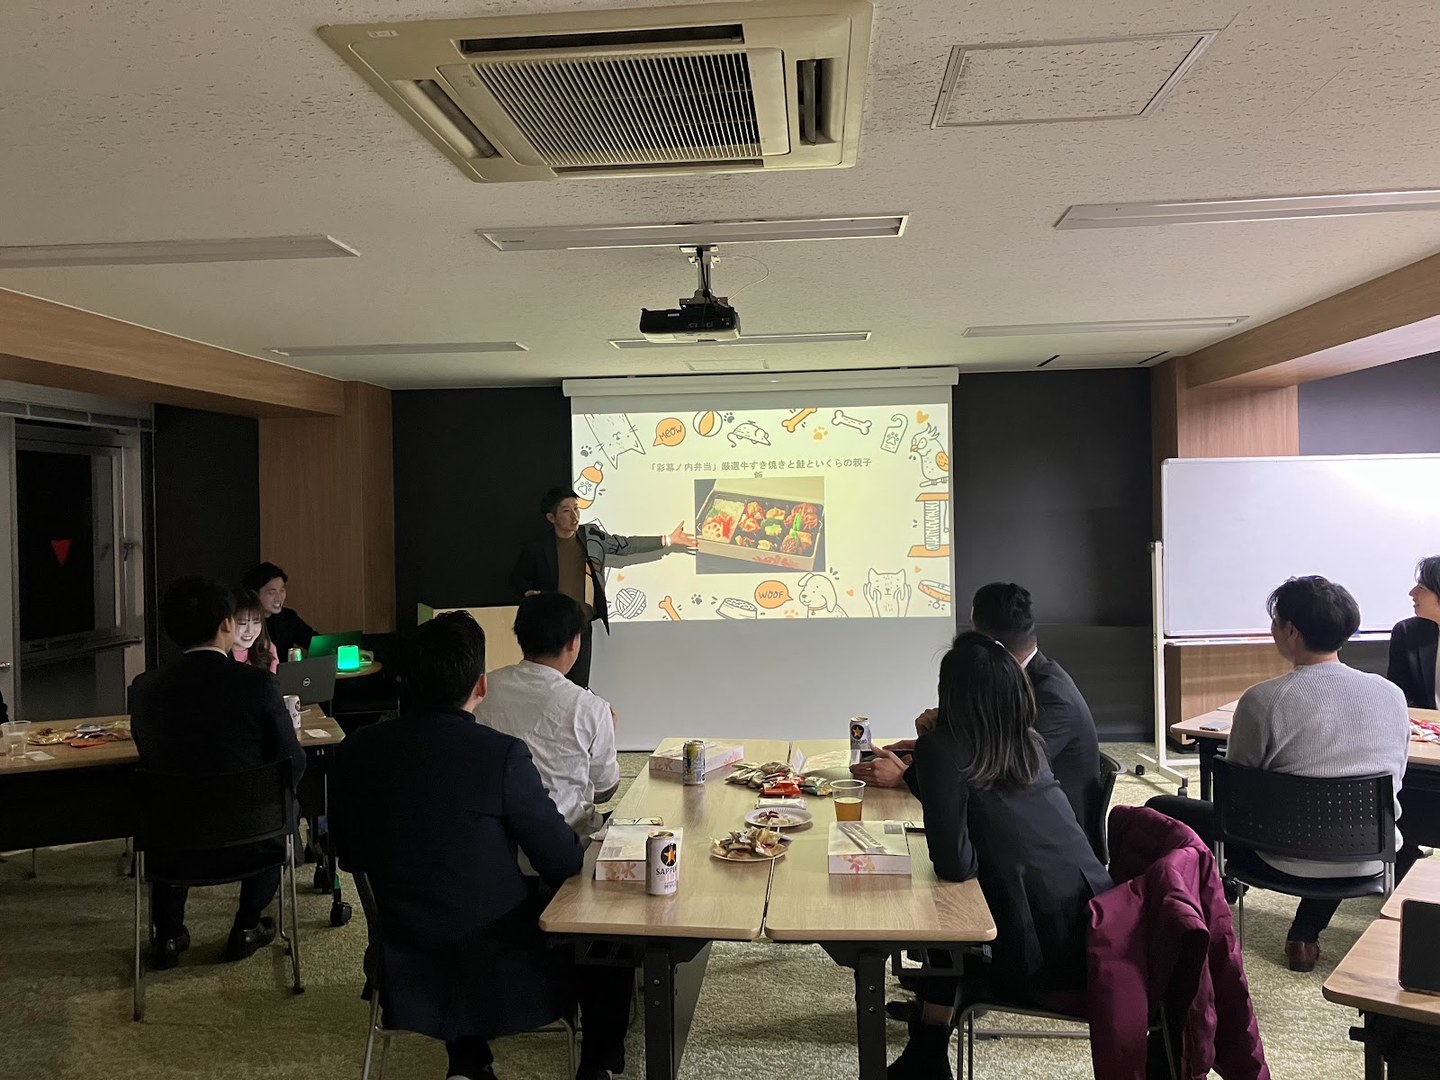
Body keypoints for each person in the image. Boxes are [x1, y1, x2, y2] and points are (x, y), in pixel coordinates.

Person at [331, 611, 630, 1080]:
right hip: (502, 966)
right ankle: (597, 1067)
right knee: (611, 931)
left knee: (456, 900)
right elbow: (562, 861)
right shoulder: (500, 756)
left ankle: (468, 1062)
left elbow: (347, 852)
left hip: (402, 955)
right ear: (481, 685)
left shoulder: (353, 751)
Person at [1148, 576, 1414, 972]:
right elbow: (1396, 775)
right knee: (1333, 825)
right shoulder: (1391, 695)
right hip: (1370, 854)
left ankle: (1189, 919)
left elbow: (1236, 791)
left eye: (1275, 621)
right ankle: (1304, 936)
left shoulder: (1264, 699)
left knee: (1160, 806)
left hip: (1277, 855)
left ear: (1291, 632)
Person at [888, 631, 1113, 1080]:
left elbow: (956, 865)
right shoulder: (1026, 741)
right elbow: (991, 807)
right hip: (1092, 925)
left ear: (950, 694)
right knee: (945, 913)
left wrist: (932, 758)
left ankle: (926, 1052)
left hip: (1042, 953)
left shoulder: (942, 748)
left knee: (941, 909)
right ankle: (926, 1051)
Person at [852, 582, 1106, 861]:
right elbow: (985, 753)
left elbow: (999, 779)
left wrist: (909, 775)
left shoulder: (1051, 697)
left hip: (1048, 848)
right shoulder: (1025, 682)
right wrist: (933, 745)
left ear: (987, 649)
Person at [129, 577, 305, 970]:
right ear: (227, 624)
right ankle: (247, 926)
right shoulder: (259, 684)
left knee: (168, 817)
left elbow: (147, 754)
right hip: (253, 838)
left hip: (172, 843)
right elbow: (293, 761)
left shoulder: (145, 688)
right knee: (282, 810)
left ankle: (168, 936)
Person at [475, 593, 620, 852]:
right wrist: (607, 732)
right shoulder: (591, 708)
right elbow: (604, 790)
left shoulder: (483, 689)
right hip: (571, 844)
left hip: (497, 845)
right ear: (573, 642)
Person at [511, 486, 696, 688]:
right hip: (551, 623)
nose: (574, 516)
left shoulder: (591, 536)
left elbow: (625, 545)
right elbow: (517, 578)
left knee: (578, 685)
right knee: (549, 682)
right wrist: (528, 593)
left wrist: (668, 540)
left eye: (576, 508)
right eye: (566, 511)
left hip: (581, 622)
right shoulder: (537, 547)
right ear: (551, 517)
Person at [1388, 554, 1440, 709]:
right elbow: (1400, 695)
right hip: (1424, 723)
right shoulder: (1406, 633)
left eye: (1421, 588)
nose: (1412, 593)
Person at [242, 561, 316, 658]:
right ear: (255, 593)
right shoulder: (243, 623)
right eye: (272, 592)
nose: (279, 598)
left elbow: (314, 642)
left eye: (282, 590)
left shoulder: (288, 617)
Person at [230, 588, 279, 673]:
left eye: (256, 622)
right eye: (242, 623)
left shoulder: (266, 648)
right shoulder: (217, 653)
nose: (250, 631)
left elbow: (273, 679)